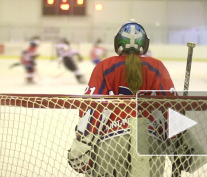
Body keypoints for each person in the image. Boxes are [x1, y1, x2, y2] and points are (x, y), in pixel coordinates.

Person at [68, 20, 177, 176]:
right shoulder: (157, 66)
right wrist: (179, 144)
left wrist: (82, 142)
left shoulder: (104, 66)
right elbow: (171, 109)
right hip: (149, 142)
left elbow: (91, 108)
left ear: (117, 42)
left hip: (111, 143)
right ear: (144, 44)